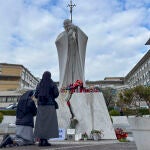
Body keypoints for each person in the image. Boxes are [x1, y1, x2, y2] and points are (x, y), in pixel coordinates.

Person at [55, 19, 88, 88]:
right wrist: (66, 37)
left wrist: (76, 29)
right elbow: (57, 41)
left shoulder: (76, 31)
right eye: (65, 25)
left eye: (67, 25)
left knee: (76, 68)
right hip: (67, 55)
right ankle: (68, 84)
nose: (66, 26)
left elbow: (85, 37)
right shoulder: (63, 34)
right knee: (68, 69)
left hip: (76, 55)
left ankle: (77, 84)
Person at [34, 71, 59, 147]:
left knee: (41, 124)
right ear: (50, 76)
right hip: (50, 106)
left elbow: (35, 95)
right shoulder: (52, 84)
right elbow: (56, 94)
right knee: (48, 124)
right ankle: (45, 140)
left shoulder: (39, 84)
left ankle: (41, 141)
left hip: (41, 106)